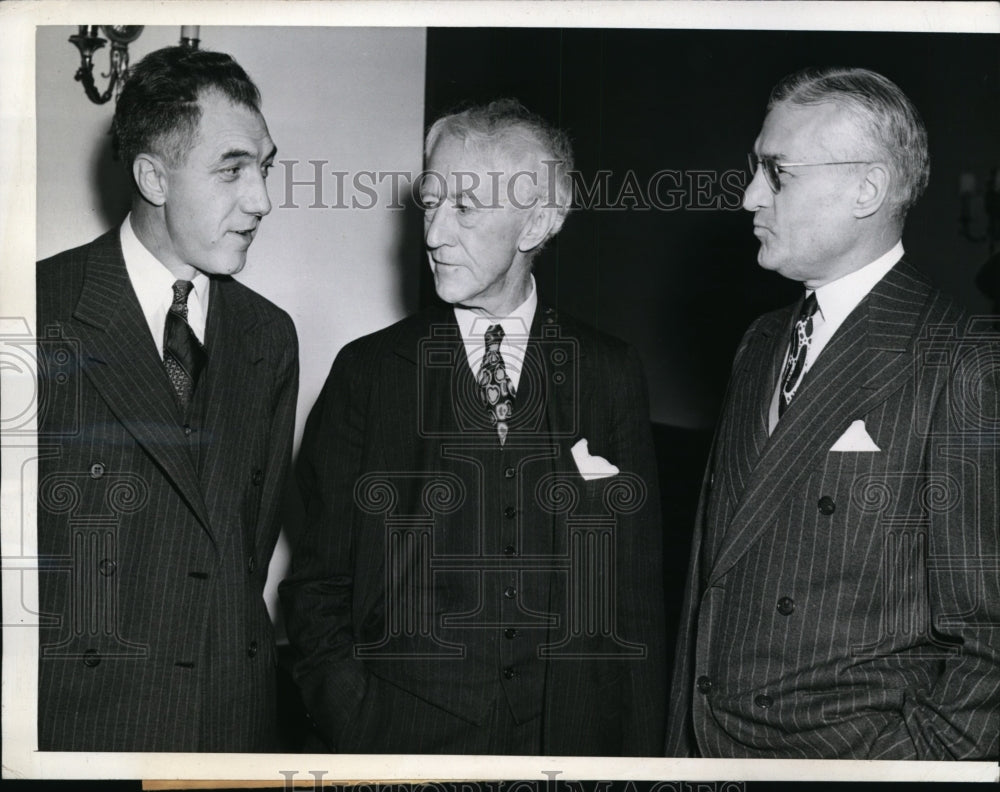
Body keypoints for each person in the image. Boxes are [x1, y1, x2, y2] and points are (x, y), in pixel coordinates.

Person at [281, 99, 665, 755]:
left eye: (465, 207)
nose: (433, 233)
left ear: (537, 221)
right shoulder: (369, 374)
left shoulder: (609, 371)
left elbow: (634, 593)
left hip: (570, 743)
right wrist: (355, 720)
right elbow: (318, 584)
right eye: (430, 203)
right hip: (402, 742)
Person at [666, 67, 999, 760]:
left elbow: (988, 640)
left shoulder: (963, 360)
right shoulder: (759, 344)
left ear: (866, 190)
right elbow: (710, 588)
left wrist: (906, 774)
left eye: (776, 172)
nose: (751, 194)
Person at [36, 46, 298, 752]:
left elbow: (248, 548)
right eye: (232, 169)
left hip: (230, 724)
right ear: (152, 176)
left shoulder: (269, 336)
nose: (262, 200)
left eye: (264, 168)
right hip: (81, 727)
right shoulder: (34, 311)